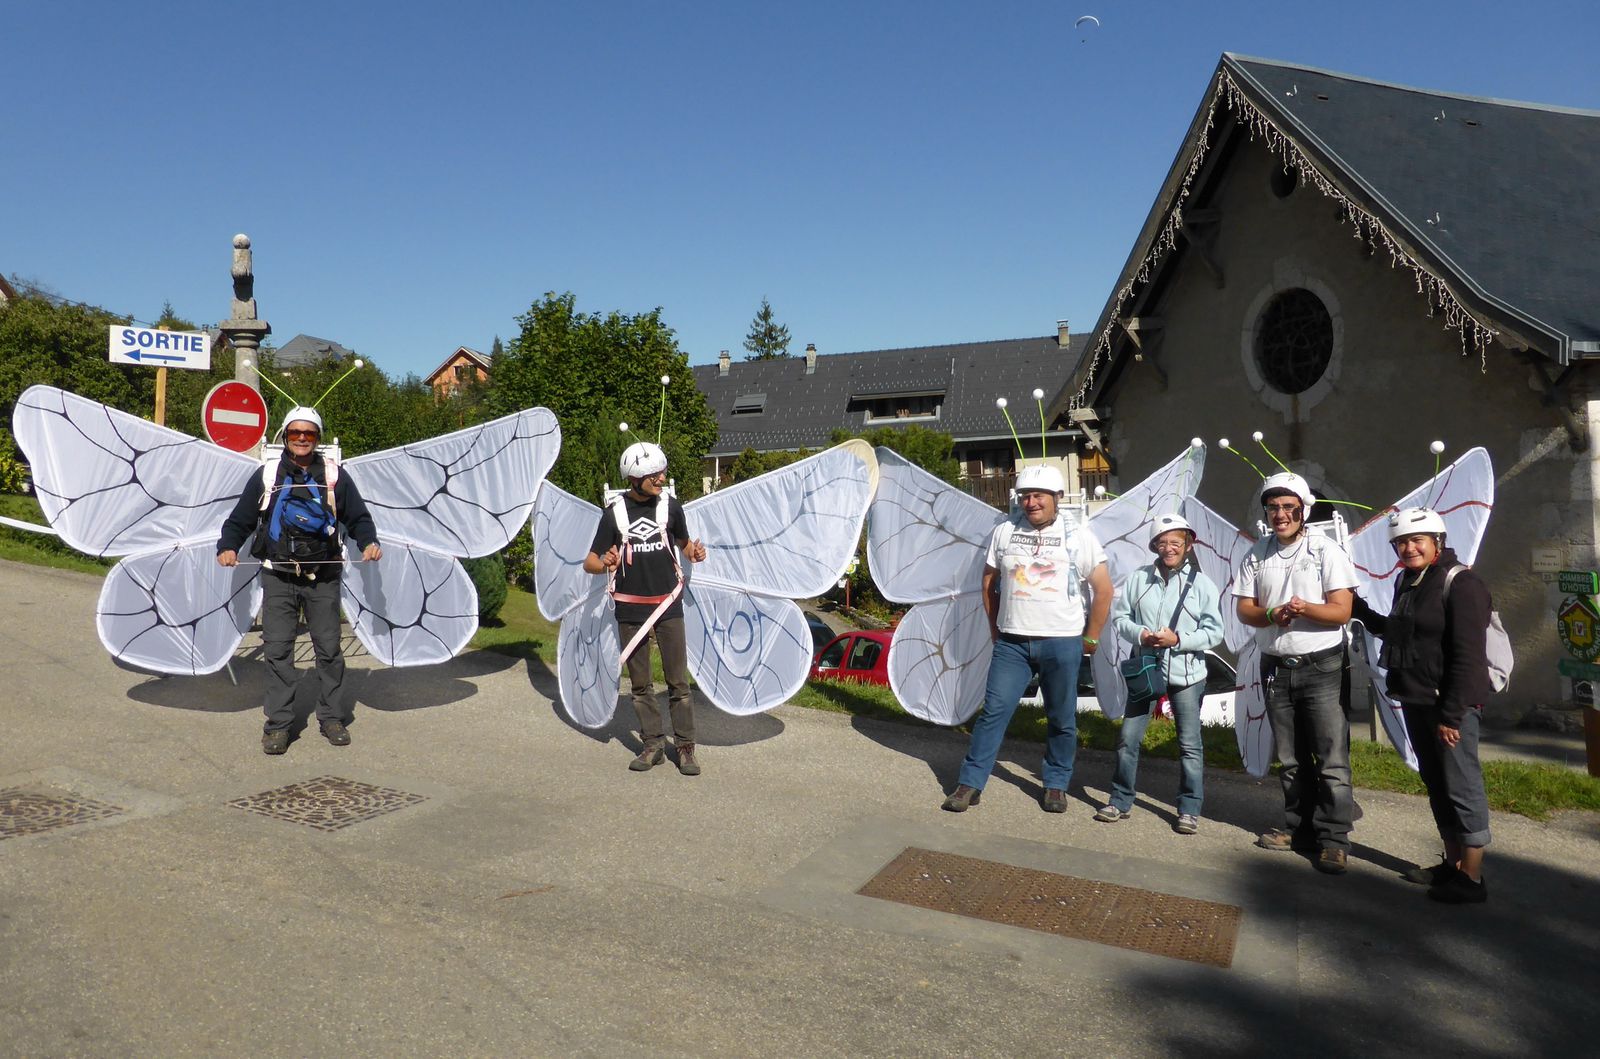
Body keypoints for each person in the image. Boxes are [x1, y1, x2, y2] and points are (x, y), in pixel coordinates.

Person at [942, 464, 1112, 814]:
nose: (1031, 503)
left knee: (1062, 718)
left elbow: (1103, 590)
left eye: (1039, 496)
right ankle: (970, 784)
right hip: (1013, 643)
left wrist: (1091, 639)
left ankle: (1055, 785)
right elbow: (989, 581)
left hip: (1062, 642)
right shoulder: (1004, 532)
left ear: (1057, 499)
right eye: (1025, 497)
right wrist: (994, 627)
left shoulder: (1080, 536)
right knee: (993, 713)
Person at [217, 407, 382, 755]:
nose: (303, 438)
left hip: (324, 577)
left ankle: (332, 718)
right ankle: (278, 725)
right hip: (278, 576)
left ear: (318, 438)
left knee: (329, 649)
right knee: (277, 650)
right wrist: (228, 546)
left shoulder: (336, 477)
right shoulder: (268, 475)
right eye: (296, 433)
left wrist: (368, 541)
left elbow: (358, 517)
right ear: (285, 436)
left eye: (309, 433)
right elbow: (241, 518)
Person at [1351, 508, 1493, 903]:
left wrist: (1452, 715)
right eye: (1401, 542)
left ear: (1438, 542)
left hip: (1450, 706)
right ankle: (1451, 865)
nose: (1409, 547)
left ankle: (1473, 877)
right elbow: (1397, 634)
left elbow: (1469, 657)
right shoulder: (1409, 580)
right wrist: (1360, 610)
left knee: (1462, 786)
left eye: (1418, 540)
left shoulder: (1461, 583)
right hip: (1416, 699)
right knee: (1437, 783)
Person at [1234, 471, 1358, 874]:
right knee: (1289, 758)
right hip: (1276, 667)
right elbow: (1245, 609)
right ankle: (1299, 829)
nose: (1280, 514)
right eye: (1273, 508)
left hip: (1320, 664)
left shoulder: (1326, 551)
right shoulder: (1257, 553)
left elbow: (1341, 611)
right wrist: (1272, 613)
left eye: (1289, 507)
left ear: (1304, 511)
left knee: (1330, 757)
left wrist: (1304, 609)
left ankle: (1334, 839)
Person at [583, 442, 708, 774]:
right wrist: (605, 563)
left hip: (668, 605)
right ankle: (653, 744)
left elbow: (683, 546)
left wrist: (694, 552)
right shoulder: (614, 514)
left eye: (662, 472)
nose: (662, 478)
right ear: (634, 478)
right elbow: (590, 562)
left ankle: (685, 748)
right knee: (640, 684)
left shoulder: (672, 508)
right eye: (655, 474)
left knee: (678, 682)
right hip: (631, 609)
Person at [1099, 514, 1224, 833]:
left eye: (1176, 543)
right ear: (1154, 545)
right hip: (1147, 667)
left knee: (1189, 744)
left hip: (1187, 674)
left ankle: (1189, 809)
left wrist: (1179, 639)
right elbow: (1120, 617)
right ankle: (1120, 800)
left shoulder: (1202, 584)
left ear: (1188, 544)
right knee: (1128, 738)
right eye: (1163, 543)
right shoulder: (1139, 579)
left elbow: (1214, 632)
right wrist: (1142, 635)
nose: (1169, 549)